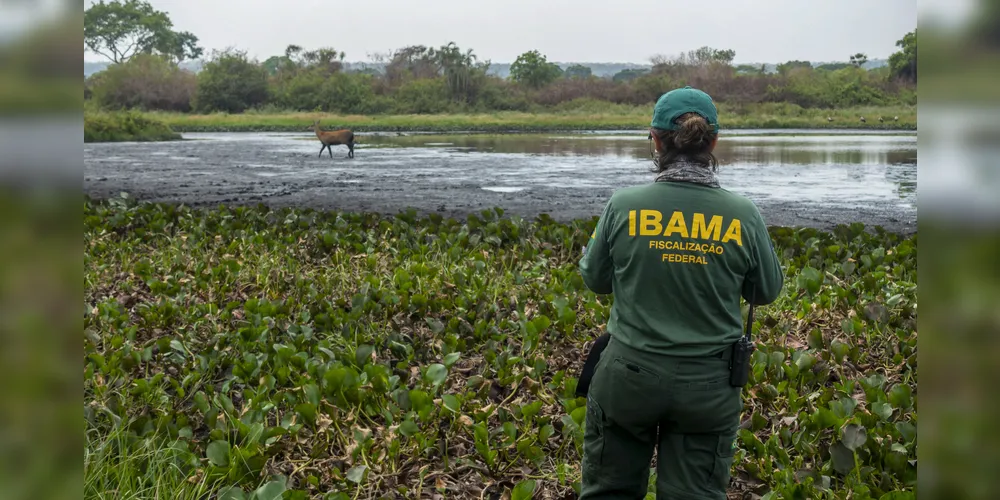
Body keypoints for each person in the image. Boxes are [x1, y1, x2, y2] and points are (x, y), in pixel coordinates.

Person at [577, 86, 784, 499]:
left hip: (628, 377)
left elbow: (596, 280)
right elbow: (766, 291)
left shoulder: (623, 205)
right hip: (708, 385)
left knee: (609, 492)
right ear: (714, 142)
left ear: (655, 140)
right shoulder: (743, 213)